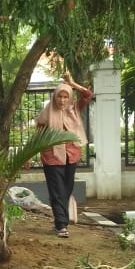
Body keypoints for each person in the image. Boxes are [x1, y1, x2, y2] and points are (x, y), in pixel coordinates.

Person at [35, 71, 93, 238]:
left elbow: (88, 95)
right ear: (55, 97)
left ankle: (59, 222)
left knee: (66, 189)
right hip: (52, 156)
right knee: (57, 190)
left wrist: (72, 83)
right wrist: (30, 155)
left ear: (69, 98)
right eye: (59, 97)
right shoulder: (48, 111)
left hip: (71, 155)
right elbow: (38, 134)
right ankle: (61, 224)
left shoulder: (74, 109)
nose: (62, 100)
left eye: (65, 97)